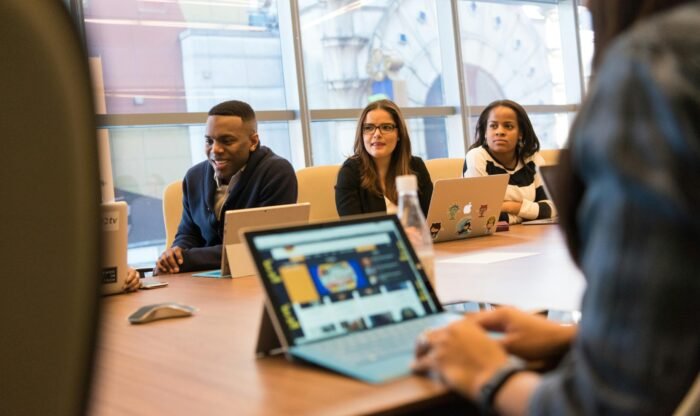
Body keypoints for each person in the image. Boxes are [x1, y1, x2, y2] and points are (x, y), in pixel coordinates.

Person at [413, 1, 700, 414]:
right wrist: (574, 337)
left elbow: (604, 405)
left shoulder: (653, 66)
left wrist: (485, 372)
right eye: (493, 126)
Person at [155, 100, 297, 274]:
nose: (215, 149)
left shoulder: (276, 172)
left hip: (254, 278)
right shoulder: (194, 177)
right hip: (204, 279)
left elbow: (255, 247)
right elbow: (188, 234)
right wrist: (174, 254)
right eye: (209, 141)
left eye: (227, 141)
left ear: (253, 141)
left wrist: (187, 258)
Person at [463, 100, 556, 224]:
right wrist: (526, 215)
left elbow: (552, 208)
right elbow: (481, 215)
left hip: (531, 236)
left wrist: (510, 207)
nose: (500, 131)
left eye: (508, 126)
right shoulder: (476, 157)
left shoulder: (533, 159)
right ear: (485, 132)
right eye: (493, 126)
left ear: (521, 133)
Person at [335, 99, 433, 216]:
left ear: (399, 134)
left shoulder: (416, 166)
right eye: (369, 128)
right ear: (361, 134)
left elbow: (432, 219)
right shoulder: (349, 172)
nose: (377, 134)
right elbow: (354, 230)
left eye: (386, 127)